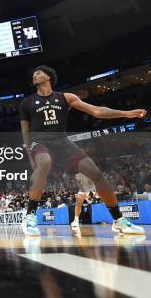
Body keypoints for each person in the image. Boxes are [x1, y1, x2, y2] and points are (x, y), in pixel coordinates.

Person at [19, 65, 147, 236]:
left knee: (96, 173)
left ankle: (118, 220)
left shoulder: (65, 97)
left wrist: (125, 113)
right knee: (45, 162)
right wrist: (29, 155)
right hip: (40, 142)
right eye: (33, 74)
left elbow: (97, 111)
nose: (34, 75)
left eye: (38, 72)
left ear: (48, 77)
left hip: (63, 142)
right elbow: (25, 132)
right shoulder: (26, 103)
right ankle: (29, 217)